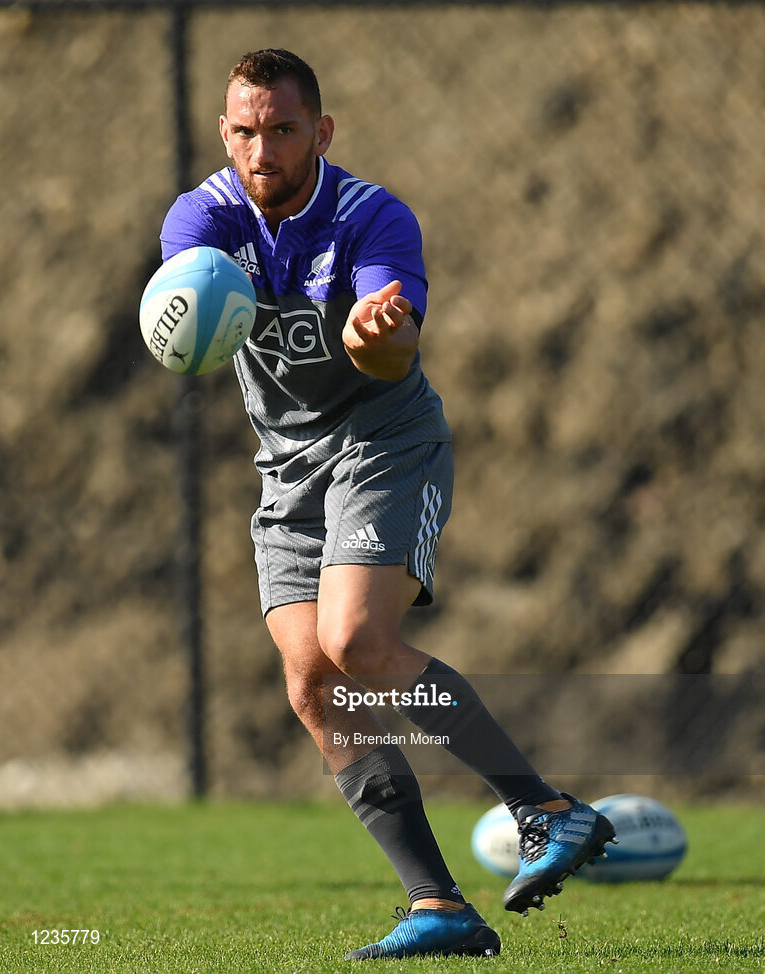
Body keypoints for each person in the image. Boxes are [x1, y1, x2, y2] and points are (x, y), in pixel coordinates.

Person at [159, 48, 615, 961]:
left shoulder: (372, 218)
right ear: (223, 133)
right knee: (312, 682)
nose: (262, 151)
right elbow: (189, 308)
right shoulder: (200, 217)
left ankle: (547, 811)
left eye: (283, 130)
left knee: (357, 642)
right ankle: (438, 905)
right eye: (245, 131)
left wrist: (377, 335)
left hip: (383, 443)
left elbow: (394, 353)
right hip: (286, 470)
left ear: (319, 132)